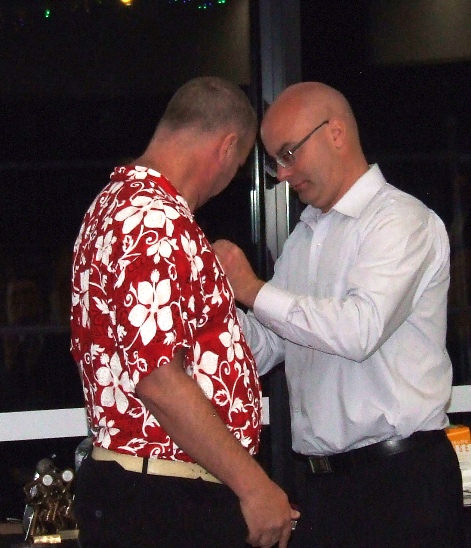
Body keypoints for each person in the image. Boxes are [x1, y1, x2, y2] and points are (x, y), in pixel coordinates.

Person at [213, 82, 465, 547]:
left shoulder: (402, 220)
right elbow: (267, 344)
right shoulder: (305, 237)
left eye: (288, 153)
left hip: (401, 481)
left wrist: (250, 288)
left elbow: (358, 329)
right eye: (274, 162)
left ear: (335, 133)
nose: (284, 174)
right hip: (324, 489)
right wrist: (199, 317)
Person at [70, 76, 298, 548]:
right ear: (227, 145)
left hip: (152, 491)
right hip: (165, 499)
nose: (228, 180)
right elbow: (159, 379)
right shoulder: (153, 220)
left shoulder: (117, 207)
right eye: (236, 166)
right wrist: (253, 485)